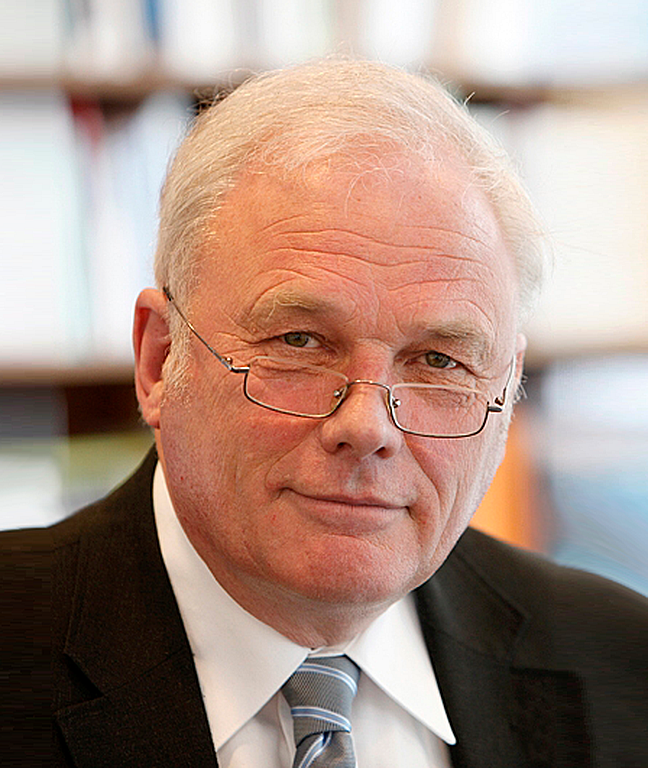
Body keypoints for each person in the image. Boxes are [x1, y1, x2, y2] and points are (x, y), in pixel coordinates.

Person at [3, 57, 647, 767]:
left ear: (507, 388)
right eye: (300, 343)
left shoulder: (623, 666)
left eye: (439, 362)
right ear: (160, 360)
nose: (367, 428)